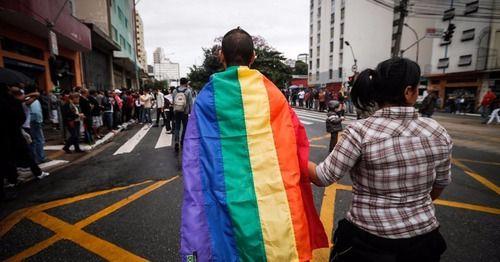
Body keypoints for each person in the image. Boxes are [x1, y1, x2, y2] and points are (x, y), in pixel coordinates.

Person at [180, 27, 328, 261]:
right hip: (269, 198)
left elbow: (193, 156)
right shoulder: (274, 96)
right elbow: (295, 141)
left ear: (221, 56)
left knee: (227, 247)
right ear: (253, 57)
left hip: (224, 194)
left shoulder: (206, 99)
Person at [308, 57, 452, 262]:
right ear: (409, 92)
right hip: (423, 242)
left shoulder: (360, 131)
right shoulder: (437, 132)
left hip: (367, 243)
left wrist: (293, 156)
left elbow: (323, 176)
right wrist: (410, 206)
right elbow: (440, 183)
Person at [172, 77, 193, 152]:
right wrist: (191, 112)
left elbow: (173, 101)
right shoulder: (188, 91)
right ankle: (182, 141)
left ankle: (176, 141)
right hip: (185, 112)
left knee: (177, 127)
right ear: (186, 83)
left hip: (177, 111)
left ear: (180, 83)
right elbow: (190, 102)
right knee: (185, 127)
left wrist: (174, 109)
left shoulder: (175, 91)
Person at [29, 91, 48, 163]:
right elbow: (36, 113)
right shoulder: (34, 101)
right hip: (35, 122)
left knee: (33, 140)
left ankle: (35, 158)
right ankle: (40, 157)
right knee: (39, 140)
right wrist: (39, 121)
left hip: (31, 122)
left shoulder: (27, 100)